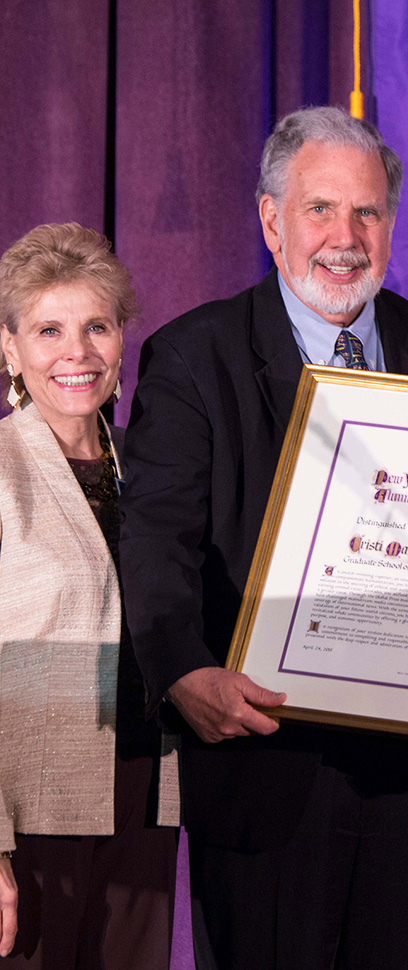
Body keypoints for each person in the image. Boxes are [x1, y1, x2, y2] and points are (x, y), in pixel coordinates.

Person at [118, 106, 408, 970]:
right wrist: (184, 676)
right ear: (271, 220)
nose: (346, 237)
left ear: (393, 223)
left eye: (368, 212)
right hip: (264, 760)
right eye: (320, 209)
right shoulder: (196, 356)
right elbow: (156, 544)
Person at [0, 223, 179, 969]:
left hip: (145, 800)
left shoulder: (158, 467)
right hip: (28, 814)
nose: (76, 352)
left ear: (121, 340)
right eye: (49, 330)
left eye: (95, 326)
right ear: (10, 349)